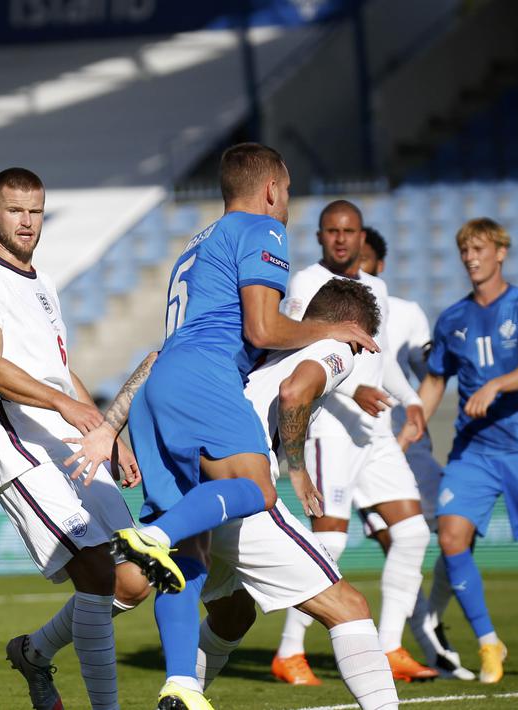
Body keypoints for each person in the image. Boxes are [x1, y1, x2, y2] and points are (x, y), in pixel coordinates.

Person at [108, 144, 377, 709]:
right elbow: (260, 328)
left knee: (189, 558)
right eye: (289, 192)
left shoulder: (195, 244)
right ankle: (153, 534)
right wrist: (331, 329)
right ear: (273, 189)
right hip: (206, 379)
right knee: (254, 491)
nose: (287, 206)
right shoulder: (262, 228)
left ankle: (182, 682)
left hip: (162, 387)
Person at [75, 280, 401, 710]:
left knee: (231, 615)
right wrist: (299, 472)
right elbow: (294, 391)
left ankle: (174, 686)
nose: (356, 355)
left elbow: (156, 363)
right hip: (244, 493)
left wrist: (108, 429)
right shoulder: (336, 348)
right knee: (350, 607)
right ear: (352, 330)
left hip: (202, 490)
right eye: (361, 346)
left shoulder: (258, 345)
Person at [0, 167, 151, 710]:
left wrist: (109, 432)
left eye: (35, 211)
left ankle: (34, 653)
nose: (27, 222)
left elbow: (62, 372)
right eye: (15, 211)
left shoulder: (43, 282)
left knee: (135, 581)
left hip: (73, 447)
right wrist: (64, 405)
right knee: (96, 570)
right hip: (22, 452)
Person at [400, 218, 518, 684]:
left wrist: (497, 386)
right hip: (473, 452)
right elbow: (434, 381)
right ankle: (488, 642)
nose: (471, 257)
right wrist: (411, 424)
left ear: (500, 252)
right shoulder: (452, 319)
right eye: (465, 250)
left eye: (479, 249)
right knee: (450, 538)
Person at [271, 202, 437, 685]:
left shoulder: (377, 288)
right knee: (330, 539)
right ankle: (289, 652)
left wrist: (412, 401)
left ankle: (388, 647)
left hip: (375, 431)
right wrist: (350, 387)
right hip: (330, 426)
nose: (341, 239)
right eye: (332, 231)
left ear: (362, 236)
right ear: (320, 236)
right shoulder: (305, 283)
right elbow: (297, 351)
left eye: (349, 231)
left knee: (412, 534)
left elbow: (379, 362)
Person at [356, 229, 474, 680]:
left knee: (456, 531)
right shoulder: (329, 302)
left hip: (412, 445)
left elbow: (431, 373)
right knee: (397, 540)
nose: (360, 270)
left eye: (367, 261)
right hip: (364, 443)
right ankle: (426, 647)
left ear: (379, 265)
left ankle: (429, 620)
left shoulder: (404, 312)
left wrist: (415, 414)